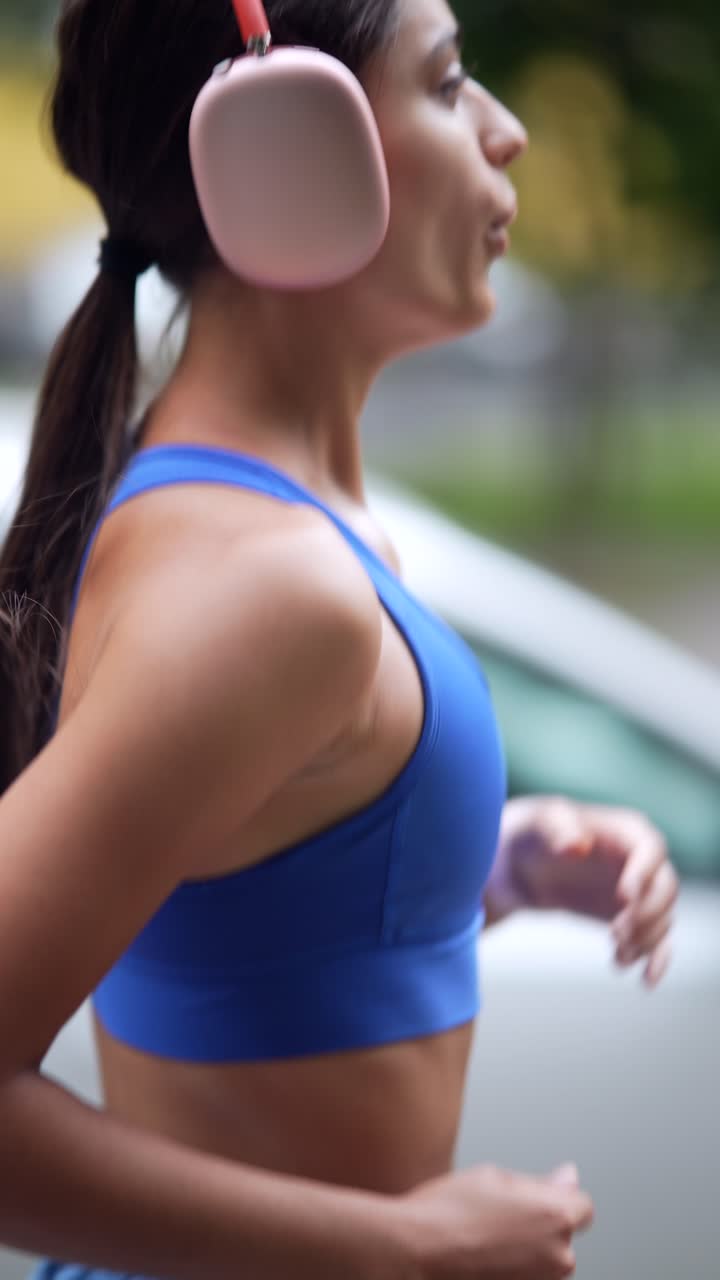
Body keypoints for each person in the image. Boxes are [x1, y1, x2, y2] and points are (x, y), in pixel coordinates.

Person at [0, 1, 679, 1278]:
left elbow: (236, 910)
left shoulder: (276, 523)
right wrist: (402, 1246)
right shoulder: (267, 583)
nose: (511, 134)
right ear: (286, 150)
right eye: (452, 81)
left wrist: (484, 864)